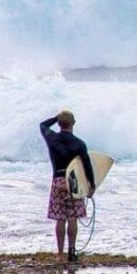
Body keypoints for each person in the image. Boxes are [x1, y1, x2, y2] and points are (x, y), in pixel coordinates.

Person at [39, 110, 94, 263]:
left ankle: (60, 254)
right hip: (74, 182)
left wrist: (56, 118)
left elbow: (42, 125)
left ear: (59, 124)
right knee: (72, 218)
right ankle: (72, 251)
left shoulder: (52, 138)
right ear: (73, 123)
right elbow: (87, 165)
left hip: (58, 180)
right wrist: (92, 184)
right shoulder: (79, 143)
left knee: (60, 219)